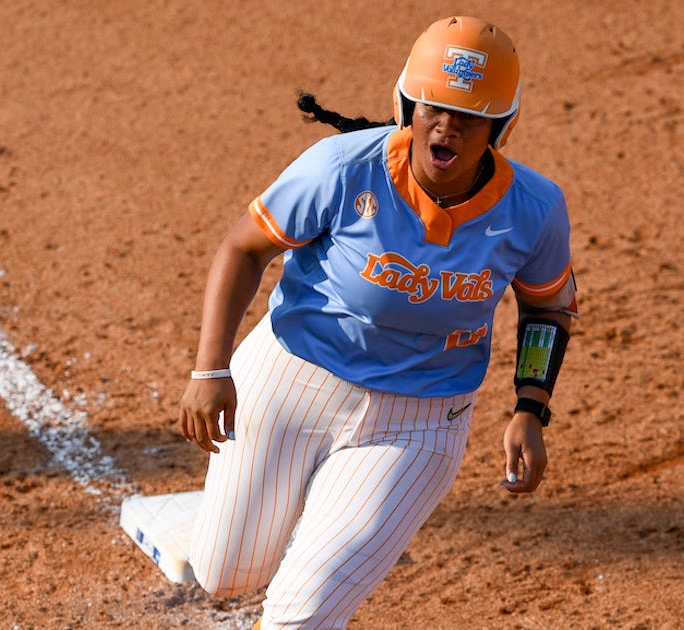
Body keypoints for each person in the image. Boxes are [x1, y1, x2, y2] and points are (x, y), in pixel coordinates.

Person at [178, 15, 578, 629]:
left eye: (468, 114)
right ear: (406, 105)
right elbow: (244, 248)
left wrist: (531, 406)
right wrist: (211, 367)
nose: (446, 126)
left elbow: (547, 306)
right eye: (432, 107)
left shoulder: (535, 210)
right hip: (292, 382)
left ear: (499, 127)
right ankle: (230, 520)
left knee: (300, 614)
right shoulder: (343, 168)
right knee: (225, 575)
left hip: (418, 423)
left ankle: (313, 543)